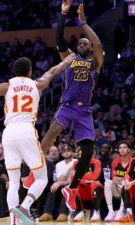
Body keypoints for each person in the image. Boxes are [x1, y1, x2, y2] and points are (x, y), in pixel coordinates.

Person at [0, 53, 75, 225]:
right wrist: (66, 61)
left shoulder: (6, 86)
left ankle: (14, 221)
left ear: (14, 72)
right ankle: (25, 206)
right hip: (26, 130)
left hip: (8, 133)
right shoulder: (37, 83)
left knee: (13, 181)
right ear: (30, 71)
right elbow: (52, 72)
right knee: (42, 177)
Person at [28, 0, 104, 212]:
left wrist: (83, 23)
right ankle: (35, 170)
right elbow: (59, 39)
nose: (82, 45)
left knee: (88, 151)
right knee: (53, 130)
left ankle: (72, 187)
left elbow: (98, 45)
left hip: (85, 110)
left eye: (84, 43)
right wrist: (63, 14)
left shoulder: (95, 62)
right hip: (68, 105)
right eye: (79, 43)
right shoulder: (69, 58)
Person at [104, 141, 132, 222]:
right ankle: (111, 211)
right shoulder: (115, 162)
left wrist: (122, 179)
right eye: (120, 148)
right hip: (117, 188)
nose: (122, 149)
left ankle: (121, 211)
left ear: (129, 150)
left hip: (128, 190)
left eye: (124, 147)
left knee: (125, 182)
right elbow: (113, 175)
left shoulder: (133, 161)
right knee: (107, 182)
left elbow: (131, 176)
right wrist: (114, 178)